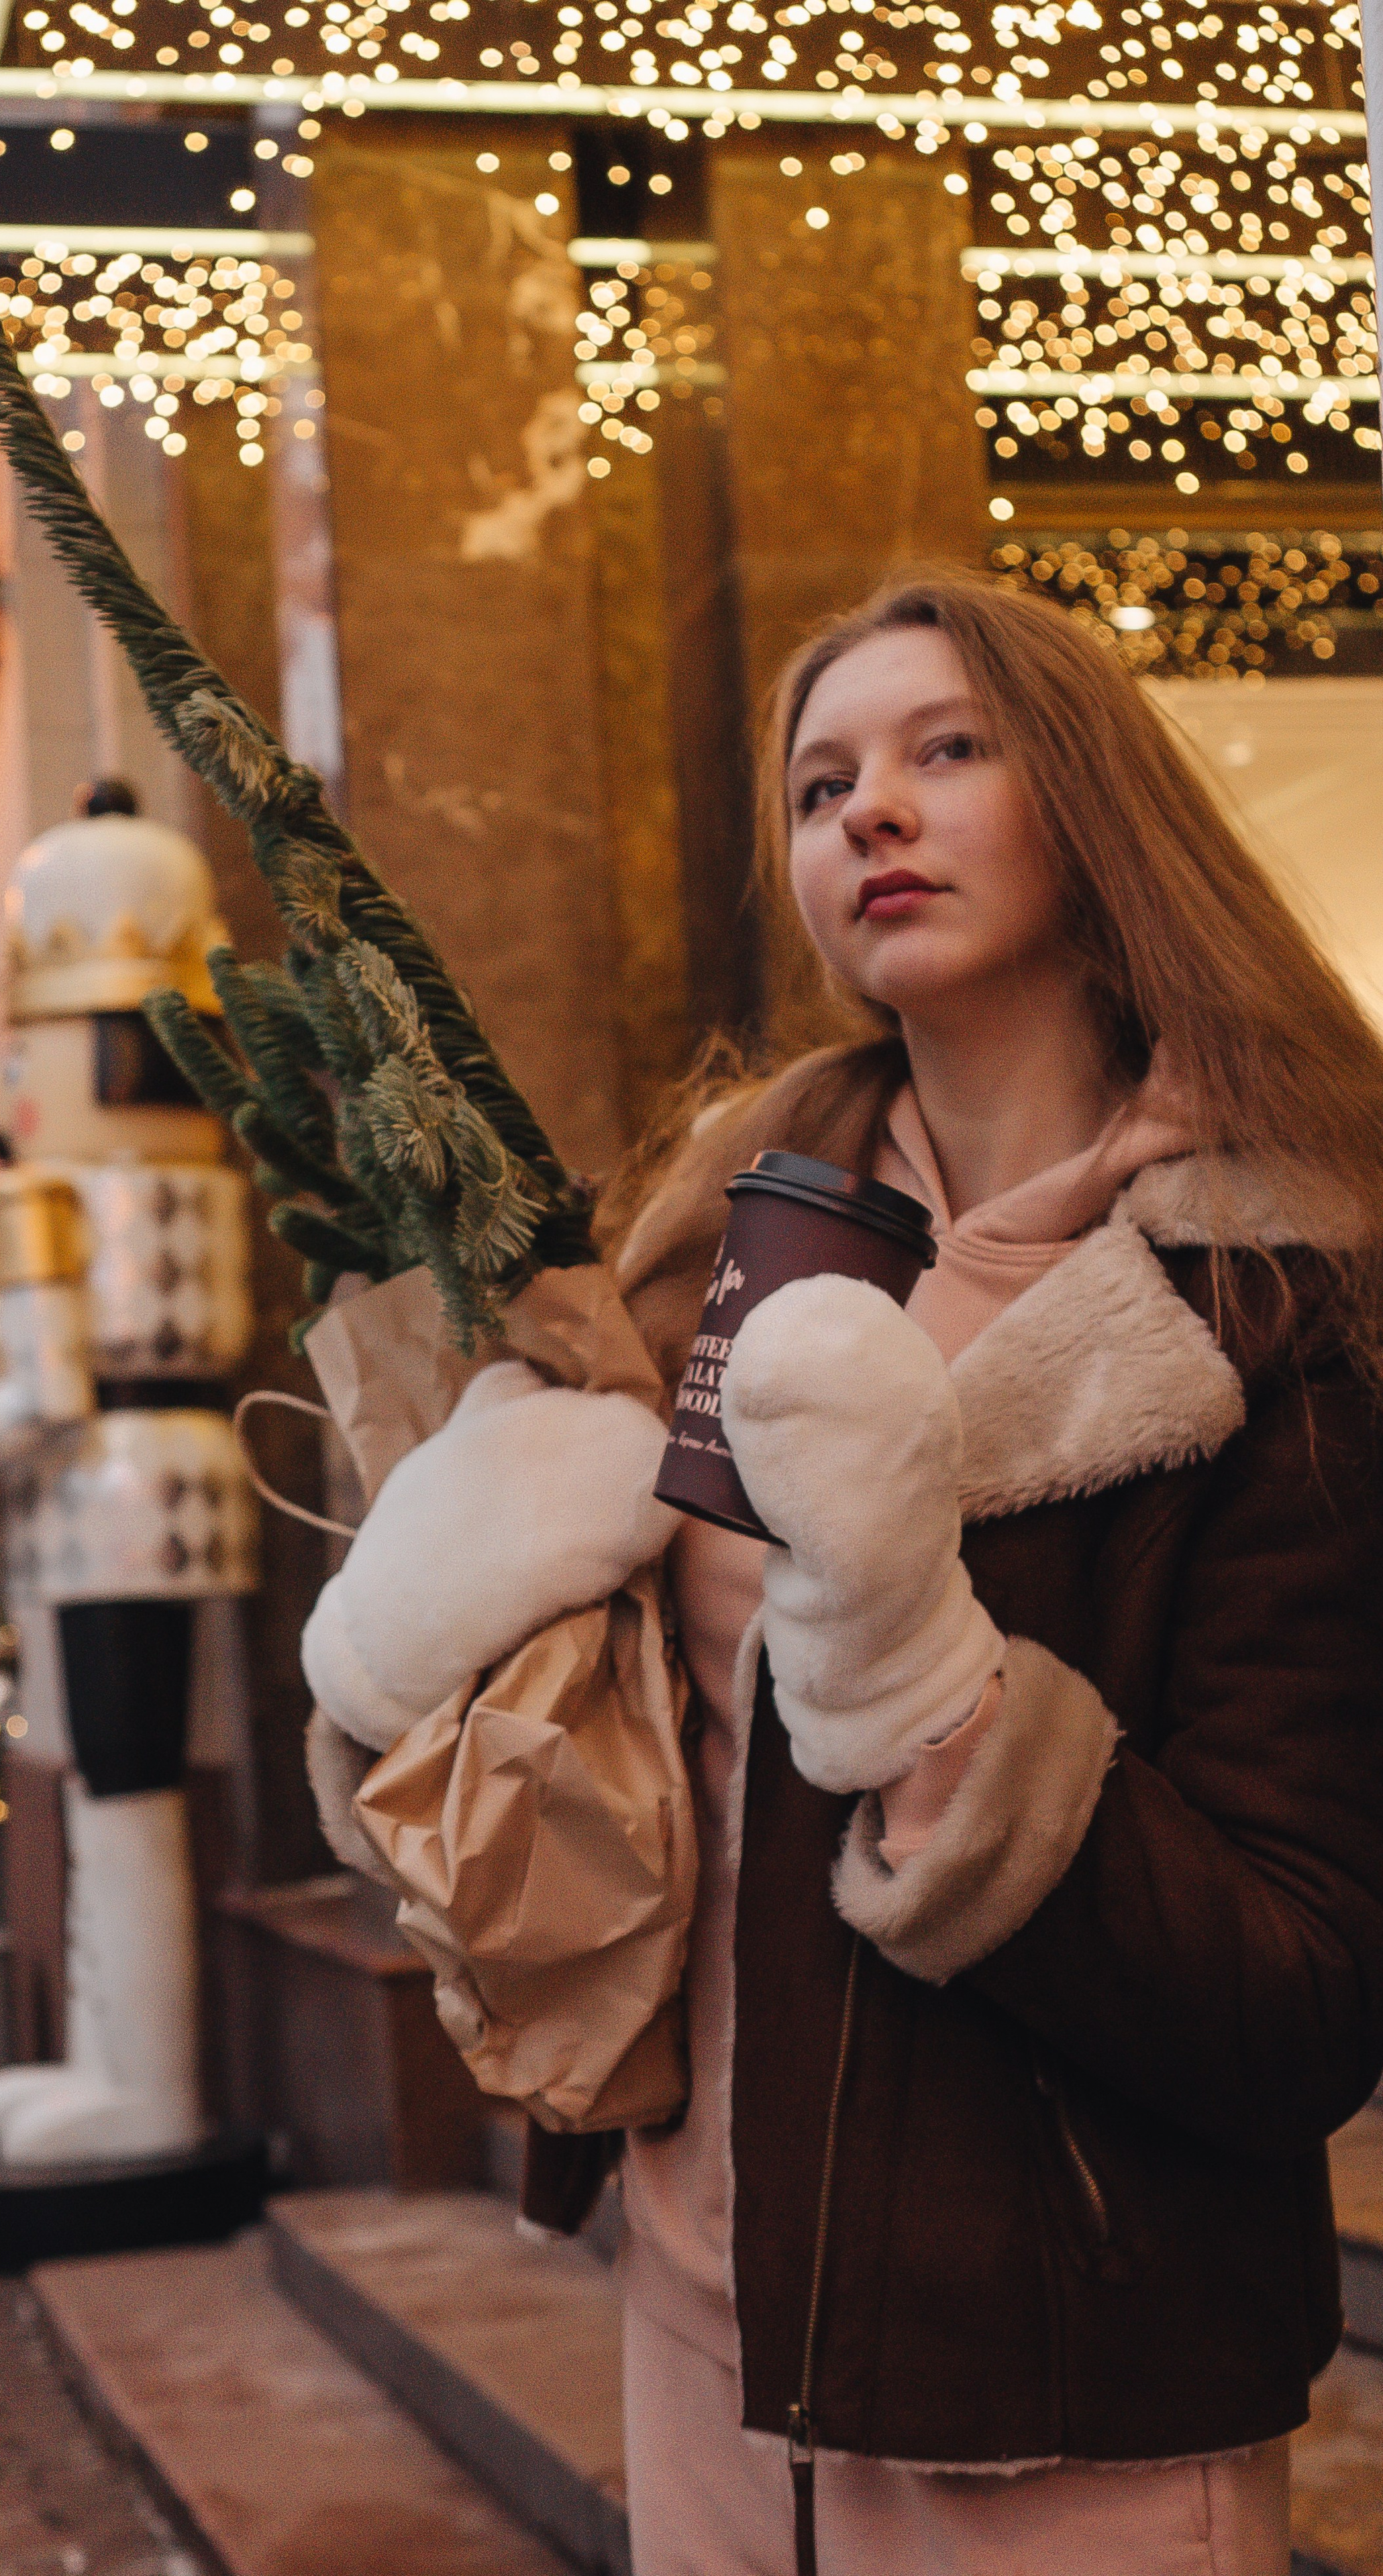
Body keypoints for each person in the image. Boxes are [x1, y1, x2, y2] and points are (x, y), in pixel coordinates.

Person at [304, 568, 1383, 2575]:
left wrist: (922, 1681)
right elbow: (602, 1788)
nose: (868, 812)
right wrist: (422, 1631)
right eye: (821, 785)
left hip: (1063, 2383)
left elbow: (1297, 1998)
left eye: (945, 752)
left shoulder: (1267, 1306)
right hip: (706, 2333)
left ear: (1095, 806)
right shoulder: (702, 1251)